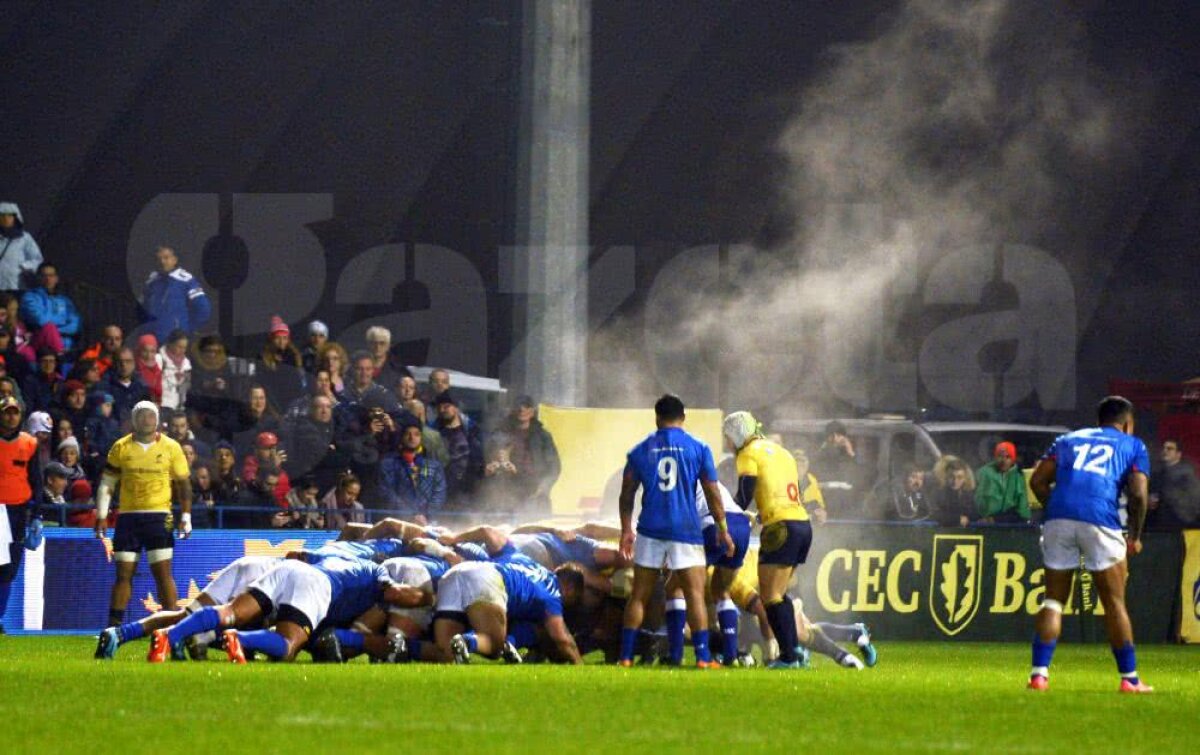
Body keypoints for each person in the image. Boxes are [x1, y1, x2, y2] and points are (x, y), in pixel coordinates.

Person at [1027, 396, 1153, 693]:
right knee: (1113, 603)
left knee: (1054, 600)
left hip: (1058, 518)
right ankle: (1130, 679)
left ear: (1099, 420)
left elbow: (1036, 482)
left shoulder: (1068, 439)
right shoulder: (1133, 445)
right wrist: (1134, 535)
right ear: (1127, 424)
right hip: (1100, 519)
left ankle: (1038, 675)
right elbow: (1138, 493)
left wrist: (1058, 509)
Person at [618, 394, 732, 668]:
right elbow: (712, 491)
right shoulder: (698, 448)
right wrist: (722, 528)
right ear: (683, 417)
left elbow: (627, 494)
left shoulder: (639, 450)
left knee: (639, 595)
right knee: (694, 593)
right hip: (686, 529)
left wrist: (626, 530)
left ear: (657, 418)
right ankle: (703, 658)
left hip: (650, 528)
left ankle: (625, 657)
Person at [93, 401, 192, 636]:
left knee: (163, 573)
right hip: (128, 518)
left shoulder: (171, 447)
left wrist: (186, 515)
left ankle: (172, 627)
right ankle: (112, 628)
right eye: (143, 415)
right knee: (123, 575)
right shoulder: (121, 447)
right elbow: (108, 483)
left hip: (160, 517)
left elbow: (184, 483)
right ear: (134, 419)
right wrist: (101, 514)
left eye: (151, 415)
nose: (147, 419)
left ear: (157, 420)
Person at [723, 410, 812, 669]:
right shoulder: (782, 453)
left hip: (780, 527)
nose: (728, 444)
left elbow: (742, 496)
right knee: (779, 594)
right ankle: (796, 652)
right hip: (802, 524)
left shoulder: (748, 454)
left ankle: (788, 657)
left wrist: (723, 513)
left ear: (736, 435)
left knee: (770, 596)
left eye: (728, 438)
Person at [0, 396, 40, 631]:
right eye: (7, 412)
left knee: (9, 568)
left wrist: (37, 516)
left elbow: (36, 480)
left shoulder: (29, 444)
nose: (11, 416)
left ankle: (0, 618)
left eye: (15, 412)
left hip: (17, 511)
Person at [500, 396, 561, 513]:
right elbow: (493, 461)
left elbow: (554, 467)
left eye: (526, 406)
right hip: (511, 496)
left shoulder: (543, 436)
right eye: (518, 406)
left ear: (532, 411)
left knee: (539, 529)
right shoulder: (502, 434)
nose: (522, 409)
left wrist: (543, 489)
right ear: (512, 410)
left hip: (537, 496)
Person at [140, 245, 212, 342]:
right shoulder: (151, 281)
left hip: (174, 341)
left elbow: (203, 309)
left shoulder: (186, 280)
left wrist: (185, 329)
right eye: (159, 259)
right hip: (151, 340)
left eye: (166, 258)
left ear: (174, 260)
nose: (162, 262)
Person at [380, 420, 447, 523]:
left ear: (421, 438)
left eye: (416, 434)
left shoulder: (434, 466)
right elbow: (387, 492)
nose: (412, 438)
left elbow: (439, 493)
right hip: (398, 521)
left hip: (429, 522)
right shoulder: (388, 464)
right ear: (402, 437)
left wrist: (426, 515)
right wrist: (409, 515)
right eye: (408, 434)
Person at [432, 392, 483, 507]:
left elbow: (480, 457)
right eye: (439, 407)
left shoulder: (472, 430)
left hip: (469, 487)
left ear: (455, 407)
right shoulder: (433, 432)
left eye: (446, 406)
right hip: (441, 487)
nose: (442, 410)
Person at [19, 262, 81, 353]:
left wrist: (55, 330)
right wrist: (63, 322)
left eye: (51, 275)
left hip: (67, 346)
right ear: (39, 278)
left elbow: (75, 326)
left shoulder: (64, 300)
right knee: (49, 328)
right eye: (44, 276)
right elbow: (41, 321)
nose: (48, 279)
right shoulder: (30, 297)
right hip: (42, 346)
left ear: (56, 279)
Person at [1147, 439, 1200, 530]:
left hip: (1180, 524)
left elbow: (1195, 499)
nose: (1165, 451)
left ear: (1178, 454)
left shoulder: (1187, 474)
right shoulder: (1157, 473)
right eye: (1163, 448)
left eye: (1170, 449)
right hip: (1159, 524)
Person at [975, 441, 1031, 524]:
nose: (1003, 460)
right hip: (983, 525)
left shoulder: (1019, 477)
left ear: (1013, 459)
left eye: (1008, 457)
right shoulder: (983, 473)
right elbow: (976, 500)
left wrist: (997, 519)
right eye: (1000, 456)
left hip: (1011, 526)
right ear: (995, 457)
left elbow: (1023, 510)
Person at [101, 347, 151, 426]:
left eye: (128, 361)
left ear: (134, 363)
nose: (124, 365)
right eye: (120, 362)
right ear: (114, 363)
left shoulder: (142, 387)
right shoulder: (105, 387)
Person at [0, 202, 43, 291]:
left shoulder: (24, 238)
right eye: (2, 215)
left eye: (9, 216)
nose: (6, 219)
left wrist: (24, 267)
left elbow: (37, 259)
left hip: (17, 286)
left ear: (15, 218)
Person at [931, 455, 977, 527]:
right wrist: (957, 519)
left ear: (965, 478)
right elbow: (935, 515)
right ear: (946, 476)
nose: (955, 481)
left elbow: (976, 513)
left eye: (959, 477)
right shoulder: (939, 493)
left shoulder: (970, 494)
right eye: (951, 477)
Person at [157, 329, 191, 411]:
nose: (182, 350)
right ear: (170, 344)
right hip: (163, 404)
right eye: (179, 347)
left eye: (184, 347)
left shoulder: (186, 362)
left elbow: (186, 384)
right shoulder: (159, 358)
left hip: (179, 406)